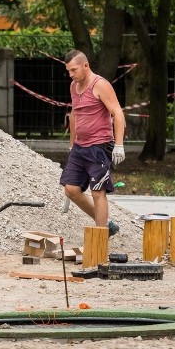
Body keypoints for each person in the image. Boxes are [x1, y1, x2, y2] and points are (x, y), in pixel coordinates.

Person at [60, 50, 126, 237]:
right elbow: (75, 114)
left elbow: (118, 113)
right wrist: (72, 144)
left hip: (99, 146)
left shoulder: (100, 85)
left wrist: (119, 144)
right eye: (68, 71)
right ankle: (106, 223)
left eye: (74, 70)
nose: (71, 74)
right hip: (80, 147)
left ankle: (100, 238)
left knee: (98, 191)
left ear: (86, 65)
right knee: (71, 190)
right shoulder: (74, 86)